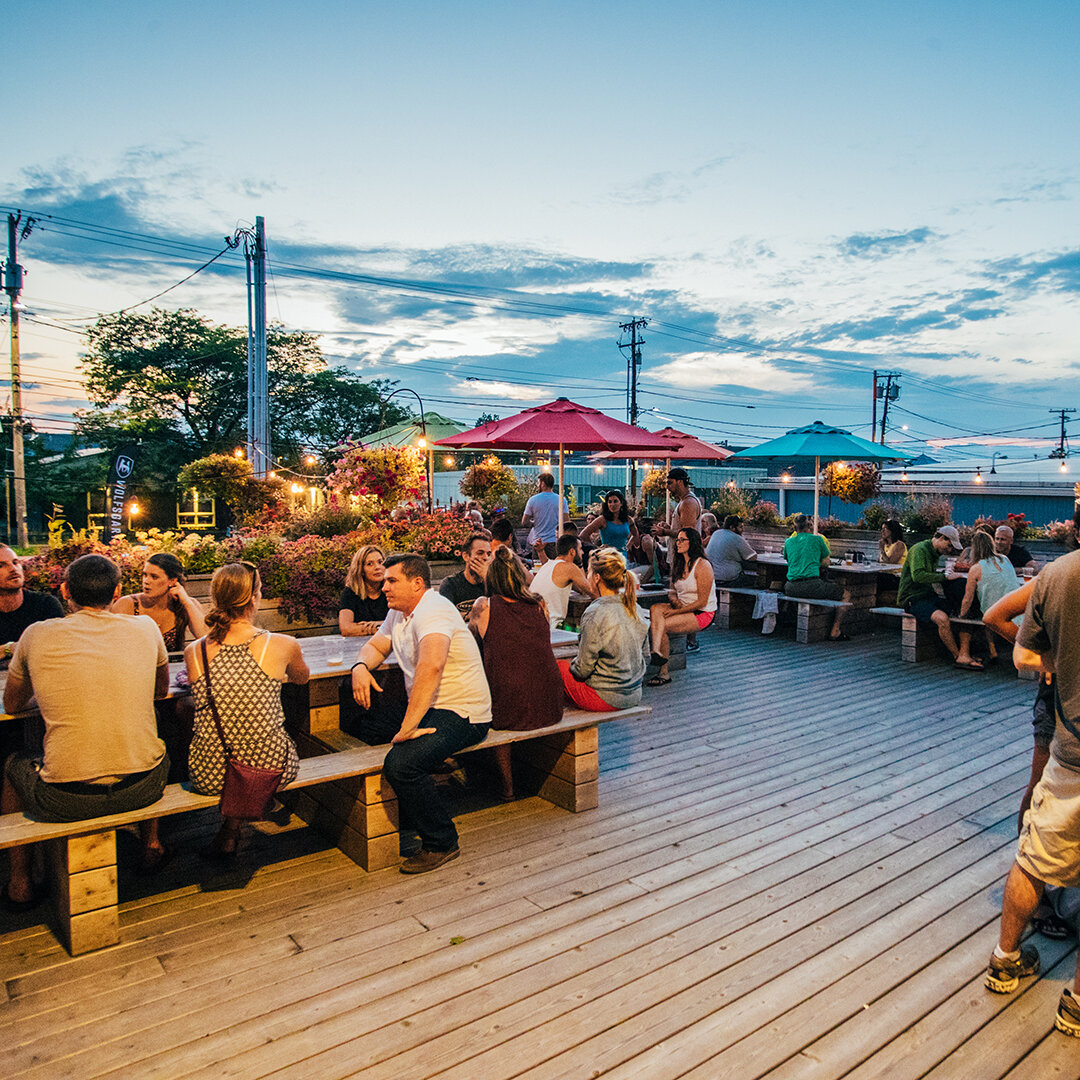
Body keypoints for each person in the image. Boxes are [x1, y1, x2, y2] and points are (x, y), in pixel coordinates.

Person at [2, 555, 171, 907]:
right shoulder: (145, 628)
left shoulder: (35, 635)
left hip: (66, 798)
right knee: (158, 746)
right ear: (118, 591)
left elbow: (13, 704)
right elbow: (160, 691)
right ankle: (151, 844)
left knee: (12, 766)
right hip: (143, 788)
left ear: (64, 590)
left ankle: (20, 881)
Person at [984, 538, 1080, 1036]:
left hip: (1070, 739)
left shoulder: (1057, 574)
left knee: (1035, 850)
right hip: (1065, 729)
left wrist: (1052, 666)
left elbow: (1018, 646)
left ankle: (1005, 957)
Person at [351, 554, 492, 873]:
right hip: (430, 705)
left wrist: (407, 727)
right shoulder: (399, 613)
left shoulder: (434, 610)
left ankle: (441, 841)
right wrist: (360, 666)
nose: (383, 585)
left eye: (391, 580)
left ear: (417, 583)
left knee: (400, 763)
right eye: (383, 580)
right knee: (364, 722)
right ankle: (413, 796)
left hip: (464, 711)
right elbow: (375, 647)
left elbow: (432, 665)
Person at [185, 562, 308, 859]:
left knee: (230, 744)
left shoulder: (195, 651)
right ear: (254, 598)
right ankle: (245, 819)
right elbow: (301, 678)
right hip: (271, 768)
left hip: (209, 771)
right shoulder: (282, 644)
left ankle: (230, 830)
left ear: (215, 599)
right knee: (267, 739)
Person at [469, 548, 563, 799]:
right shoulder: (539, 602)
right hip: (551, 703)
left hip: (509, 707)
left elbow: (470, 638)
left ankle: (507, 787)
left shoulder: (484, 605)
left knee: (494, 694)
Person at [559, 547, 647, 711]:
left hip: (604, 696)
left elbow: (582, 670)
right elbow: (645, 656)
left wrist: (571, 665)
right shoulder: (635, 607)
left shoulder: (595, 612)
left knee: (558, 668)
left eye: (589, 572)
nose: (587, 577)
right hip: (635, 693)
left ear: (597, 577)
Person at [897, 524, 980, 669]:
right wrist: (945, 577)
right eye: (948, 546)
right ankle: (957, 656)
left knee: (961, 611)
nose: (948, 550)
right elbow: (918, 576)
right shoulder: (920, 549)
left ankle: (964, 653)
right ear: (941, 537)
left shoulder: (934, 552)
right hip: (912, 598)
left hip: (928, 595)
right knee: (942, 618)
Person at [647, 528, 716, 686]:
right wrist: (675, 600)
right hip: (682, 607)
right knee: (655, 609)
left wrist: (676, 611)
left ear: (692, 543)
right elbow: (672, 591)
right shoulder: (678, 564)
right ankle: (656, 650)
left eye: (682, 540)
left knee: (661, 625)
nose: (677, 543)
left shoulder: (703, 565)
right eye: (677, 540)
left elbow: (702, 602)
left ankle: (663, 672)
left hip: (702, 612)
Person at [111, 552, 207, 651]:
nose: (146, 581)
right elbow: (111, 645)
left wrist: (187, 603)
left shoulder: (186, 604)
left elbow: (206, 639)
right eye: (145, 575)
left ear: (172, 581)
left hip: (174, 665)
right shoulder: (127, 604)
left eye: (154, 577)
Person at [956, 529, 1019, 666]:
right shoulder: (1005, 559)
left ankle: (973, 651)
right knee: (989, 607)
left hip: (994, 612)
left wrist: (960, 617)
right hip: (1016, 608)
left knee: (975, 612)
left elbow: (967, 599)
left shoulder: (976, 568)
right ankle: (992, 651)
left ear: (975, 549)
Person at [782, 514, 850, 641]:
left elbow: (788, 559)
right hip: (812, 586)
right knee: (845, 594)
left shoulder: (788, 542)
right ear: (810, 525)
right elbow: (826, 562)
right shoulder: (817, 539)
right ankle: (835, 630)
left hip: (790, 587)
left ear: (795, 528)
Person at [0, 545, 63, 661]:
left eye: (15, 562)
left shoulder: (45, 605)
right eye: (1, 566)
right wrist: (8, 648)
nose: (13, 569)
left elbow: (59, 650)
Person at [529, 533, 595, 629]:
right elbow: (592, 591)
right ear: (572, 552)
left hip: (535, 623)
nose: (583, 553)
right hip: (553, 626)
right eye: (580, 549)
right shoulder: (569, 567)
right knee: (585, 632)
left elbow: (582, 590)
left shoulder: (549, 564)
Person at [339, 545, 389, 636]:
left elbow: (403, 623)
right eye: (370, 564)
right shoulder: (351, 593)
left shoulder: (391, 590)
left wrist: (366, 627)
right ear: (361, 570)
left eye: (380, 562)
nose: (377, 567)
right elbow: (346, 628)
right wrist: (380, 627)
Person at [438, 534, 491, 618]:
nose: (486, 558)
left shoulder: (492, 583)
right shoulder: (450, 584)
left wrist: (486, 578)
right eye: (480, 553)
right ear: (466, 556)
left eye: (488, 554)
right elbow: (445, 617)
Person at [579, 490, 639, 559]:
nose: (612, 504)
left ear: (621, 503)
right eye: (609, 502)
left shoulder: (628, 519)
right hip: (607, 558)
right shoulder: (602, 519)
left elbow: (635, 534)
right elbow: (583, 535)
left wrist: (628, 546)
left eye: (615, 501)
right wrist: (596, 549)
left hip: (623, 557)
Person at [521, 473, 567, 559]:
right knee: (554, 569)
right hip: (555, 542)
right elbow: (567, 521)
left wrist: (533, 523)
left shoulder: (533, 500)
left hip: (538, 542)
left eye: (539, 483)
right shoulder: (561, 500)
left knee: (538, 569)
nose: (538, 485)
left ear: (543, 484)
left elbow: (524, 522)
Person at [705, 515, 758, 587]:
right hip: (729, 579)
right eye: (740, 527)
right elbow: (752, 557)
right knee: (756, 581)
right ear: (732, 527)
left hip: (712, 577)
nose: (742, 529)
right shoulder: (736, 537)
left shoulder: (716, 533)